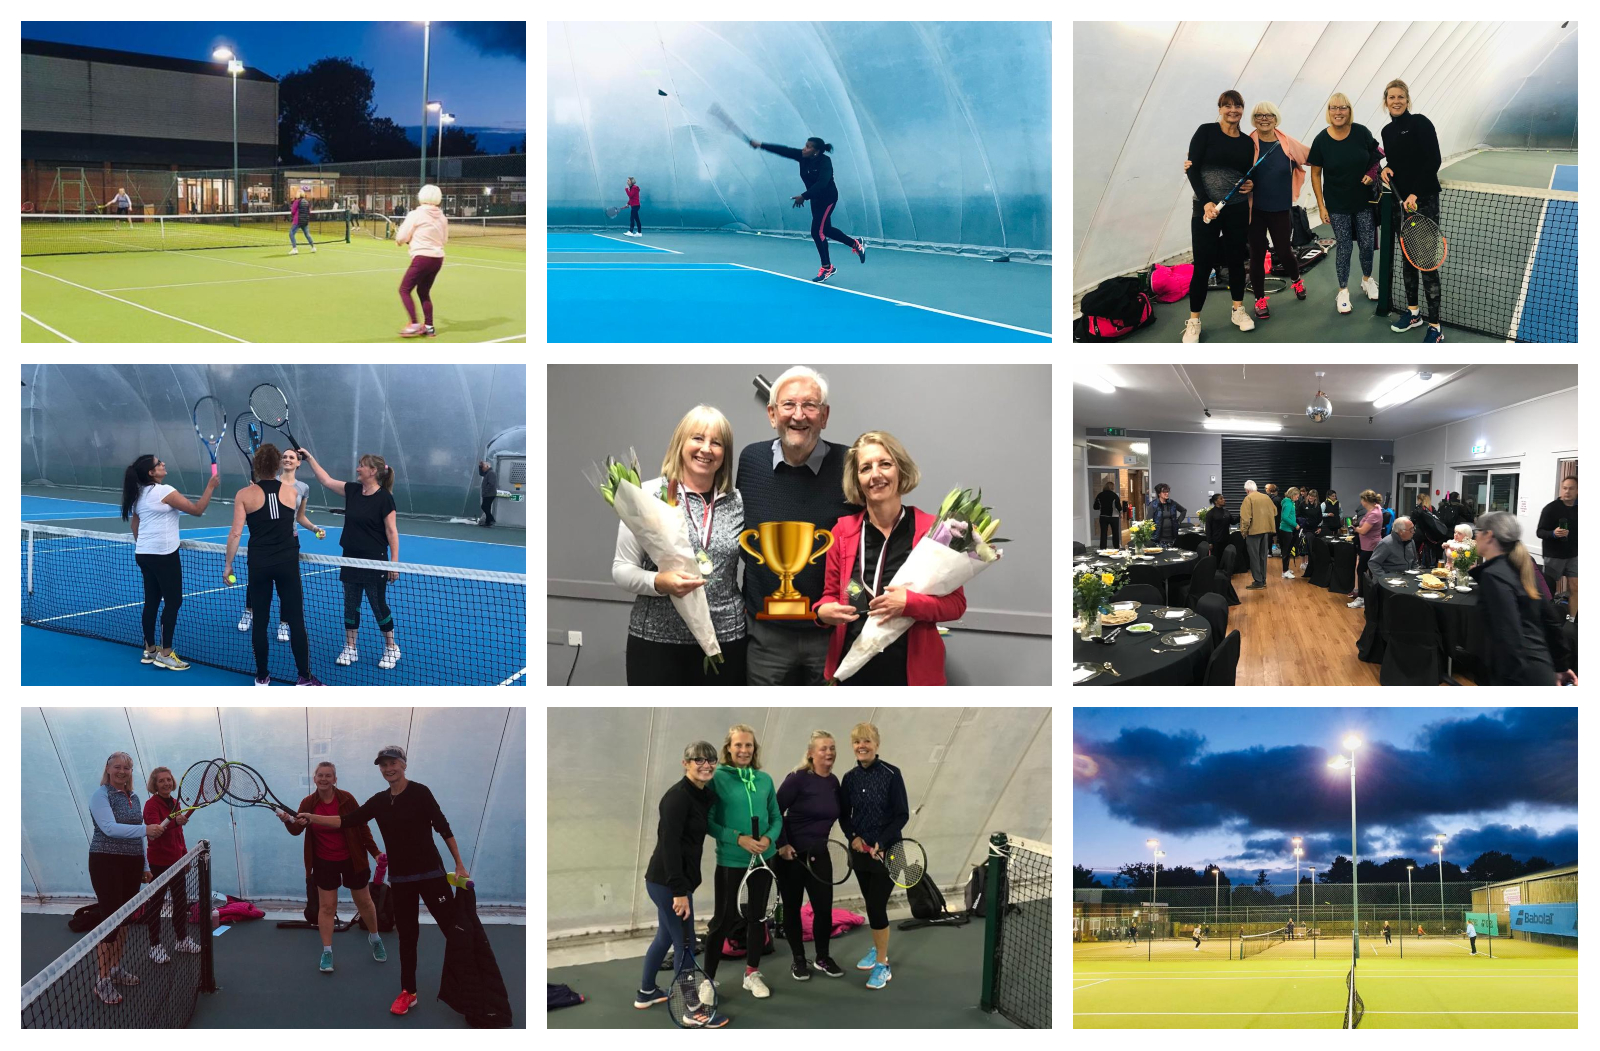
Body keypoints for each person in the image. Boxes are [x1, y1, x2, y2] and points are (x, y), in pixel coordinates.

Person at [295, 745, 487, 1021]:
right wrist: (311, 818)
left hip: (432, 875)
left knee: (453, 931)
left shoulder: (421, 793)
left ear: (403, 765)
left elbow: (443, 827)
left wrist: (458, 864)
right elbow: (346, 821)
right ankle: (408, 991)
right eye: (383, 765)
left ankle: (475, 987)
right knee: (407, 937)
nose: (388, 769)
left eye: (392, 763)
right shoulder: (379, 801)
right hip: (402, 880)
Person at [737, 367, 859, 685]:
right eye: (788, 405)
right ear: (772, 413)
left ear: (824, 415)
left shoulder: (849, 465)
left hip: (827, 634)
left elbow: (863, 546)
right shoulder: (751, 461)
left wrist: (851, 602)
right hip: (765, 634)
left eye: (810, 405)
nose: (798, 415)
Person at [814, 431, 965, 686]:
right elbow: (829, 594)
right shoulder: (842, 531)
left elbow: (956, 605)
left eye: (885, 464)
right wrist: (822, 613)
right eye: (865, 468)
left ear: (900, 470)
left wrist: (909, 603)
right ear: (857, 479)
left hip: (909, 675)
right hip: (853, 668)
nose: (876, 475)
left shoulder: (930, 531)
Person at [613, 405, 748, 685]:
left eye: (717, 442)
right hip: (656, 643)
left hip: (725, 641)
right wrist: (660, 582)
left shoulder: (737, 502)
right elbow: (622, 569)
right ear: (680, 443)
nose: (706, 449)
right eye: (697, 438)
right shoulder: (645, 495)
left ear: (725, 453)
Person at [83, 753, 203, 1009]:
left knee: (125, 917)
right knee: (110, 921)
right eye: (117, 767)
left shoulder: (133, 797)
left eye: (127, 767)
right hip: (106, 862)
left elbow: (138, 837)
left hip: (132, 863)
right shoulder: (100, 795)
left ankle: (115, 968)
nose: (122, 771)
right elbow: (109, 828)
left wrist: (145, 866)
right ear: (108, 768)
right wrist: (146, 829)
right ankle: (102, 978)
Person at [635, 739, 727, 1026]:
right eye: (698, 760)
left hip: (672, 882)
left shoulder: (702, 793)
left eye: (711, 760)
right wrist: (679, 892)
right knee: (685, 943)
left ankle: (647, 991)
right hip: (667, 883)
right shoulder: (677, 798)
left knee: (665, 937)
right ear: (685, 763)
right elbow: (670, 845)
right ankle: (691, 1009)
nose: (706, 765)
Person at [294, 446, 406, 680]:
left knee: (378, 605)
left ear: (373, 471)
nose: (357, 468)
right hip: (350, 558)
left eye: (362, 465)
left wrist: (394, 564)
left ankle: (391, 648)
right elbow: (325, 480)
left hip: (376, 561)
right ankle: (350, 647)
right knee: (350, 604)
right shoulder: (353, 490)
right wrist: (310, 458)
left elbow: (392, 532)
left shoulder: (385, 498)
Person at [278, 761, 388, 973]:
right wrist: (287, 820)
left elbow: (362, 827)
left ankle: (375, 938)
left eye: (329, 775)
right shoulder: (308, 803)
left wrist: (375, 852)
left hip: (353, 859)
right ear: (315, 778)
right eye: (320, 775)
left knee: (365, 902)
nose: (324, 779)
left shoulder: (347, 799)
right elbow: (296, 830)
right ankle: (327, 951)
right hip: (323, 862)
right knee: (327, 908)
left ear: (335, 779)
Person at [119, 451, 222, 676]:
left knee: (152, 602)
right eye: (159, 463)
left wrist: (147, 545)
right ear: (151, 472)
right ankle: (165, 655)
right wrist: (211, 486)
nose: (163, 463)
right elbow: (197, 510)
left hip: (143, 554)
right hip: (164, 556)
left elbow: (134, 527)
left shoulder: (138, 494)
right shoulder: (164, 491)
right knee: (173, 602)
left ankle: (149, 650)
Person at [836, 723, 912, 992]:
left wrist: (881, 841)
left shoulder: (892, 774)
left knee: (877, 906)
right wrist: (853, 837)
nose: (861, 746)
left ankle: (882, 963)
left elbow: (902, 814)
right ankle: (878, 946)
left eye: (866, 741)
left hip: (889, 853)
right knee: (871, 904)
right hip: (861, 854)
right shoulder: (849, 778)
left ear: (876, 744)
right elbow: (845, 815)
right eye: (857, 742)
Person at [771, 731, 851, 983]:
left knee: (824, 910)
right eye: (823, 748)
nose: (829, 753)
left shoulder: (833, 782)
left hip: (820, 856)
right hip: (791, 857)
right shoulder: (797, 779)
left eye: (832, 748)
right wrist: (782, 845)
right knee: (793, 910)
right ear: (810, 753)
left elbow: (842, 816)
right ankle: (798, 959)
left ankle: (823, 957)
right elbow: (774, 810)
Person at [1468, 511, 1575, 685]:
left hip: (1520, 676)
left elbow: (1508, 635)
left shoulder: (1493, 575)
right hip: (1541, 669)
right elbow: (1551, 621)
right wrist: (1560, 666)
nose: (1476, 537)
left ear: (1489, 536)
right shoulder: (1521, 567)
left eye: (1478, 532)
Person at [749, 135, 866, 282]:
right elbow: (783, 150)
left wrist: (804, 196)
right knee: (826, 230)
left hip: (828, 198)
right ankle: (855, 243)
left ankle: (827, 267)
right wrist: (760, 145)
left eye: (808, 147)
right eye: (805, 145)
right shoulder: (802, 157)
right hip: (815, 199)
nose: (804, 149)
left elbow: (822, 183)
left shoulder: (825, 162)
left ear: (816, 151)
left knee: (817, 231)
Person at [386, 184, 455, 338]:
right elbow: (443, 240)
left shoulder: (415, 215)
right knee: (423, 291)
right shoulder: (443, 218)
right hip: (437, 259)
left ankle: (414, 324)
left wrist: (400, 241)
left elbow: (402, 237)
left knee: (404, 289)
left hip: (422, 259)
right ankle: (429, 327)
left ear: (421, 196)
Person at [1536, 476, 1577, 622]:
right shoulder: (1551, 509)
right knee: (1549, 590)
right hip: (1554, 556)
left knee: (1575, 588)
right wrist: (1553, 533)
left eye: (1571, 488)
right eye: (1565, 488)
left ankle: (1571, 620)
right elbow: (1539, 532)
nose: (1567, 491)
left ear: (1577, 490)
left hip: (1574, 555)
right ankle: (1547, 620)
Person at [1345, 489, 1384, 609]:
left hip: (1370, 547)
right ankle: (1367, 597)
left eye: (1362, 499)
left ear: (1366, 500)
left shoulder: (1374, 514)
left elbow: (1363, 530)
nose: (1361, 502)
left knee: (1362, 571)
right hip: (1366, 545)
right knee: (1365, 571)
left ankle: (1362, 598)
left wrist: (1355, 529)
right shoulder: (1375, 508)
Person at [1237, 479, 1277, 590]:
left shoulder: (1248, 498)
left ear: (1247, 490)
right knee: (1263, 556)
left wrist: (1243, 532)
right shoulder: (1266, 497)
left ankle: (1258, 581)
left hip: (1253, 532)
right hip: (1265, 531)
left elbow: (1245, 518)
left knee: (1254, 557)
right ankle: (1263, 580)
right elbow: (1275, 511)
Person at [1146, 483, 1187, 548]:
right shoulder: (1153, 505)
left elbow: (1183, 510)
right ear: (1159, 493)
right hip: (1159, 538)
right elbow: (1148, 521)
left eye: (1167, 491)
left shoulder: (1172, 503)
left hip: (1172, 537)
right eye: (1164, 492)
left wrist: (1178, 521)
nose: (1166, 493)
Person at [1094, 480, 1124, 550]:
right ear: (1112, 487)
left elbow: (1095, 507)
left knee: (1103, 533)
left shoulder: (1100, 495)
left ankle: (1103, 548)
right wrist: (1121, 513)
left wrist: (1102, 507)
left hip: (1103, 516)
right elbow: (1118, 506)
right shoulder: (1114, 495)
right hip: (1114, 517)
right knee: (1115, 533)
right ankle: (1116, 547)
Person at [1278, 486, 1300, 578]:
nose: (1298, 498)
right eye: (1297, 496)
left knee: (1287, 551)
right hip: (1286, 530)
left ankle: (1286, 568)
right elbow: (1284, 517)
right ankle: (1285, 571)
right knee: (1286, 551)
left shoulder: (1290, 502)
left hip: (1287, 529)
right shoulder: (1288, 504)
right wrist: (1295, 525)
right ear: (1292, 495)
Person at [1265, 483, 1282, 555]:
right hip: (1278, 519)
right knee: (1280, 536)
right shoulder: (1278, 499)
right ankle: (1282, 552)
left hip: (1268, 520)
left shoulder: (1265, 498)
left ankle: (1270, 553)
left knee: (1269, 536)